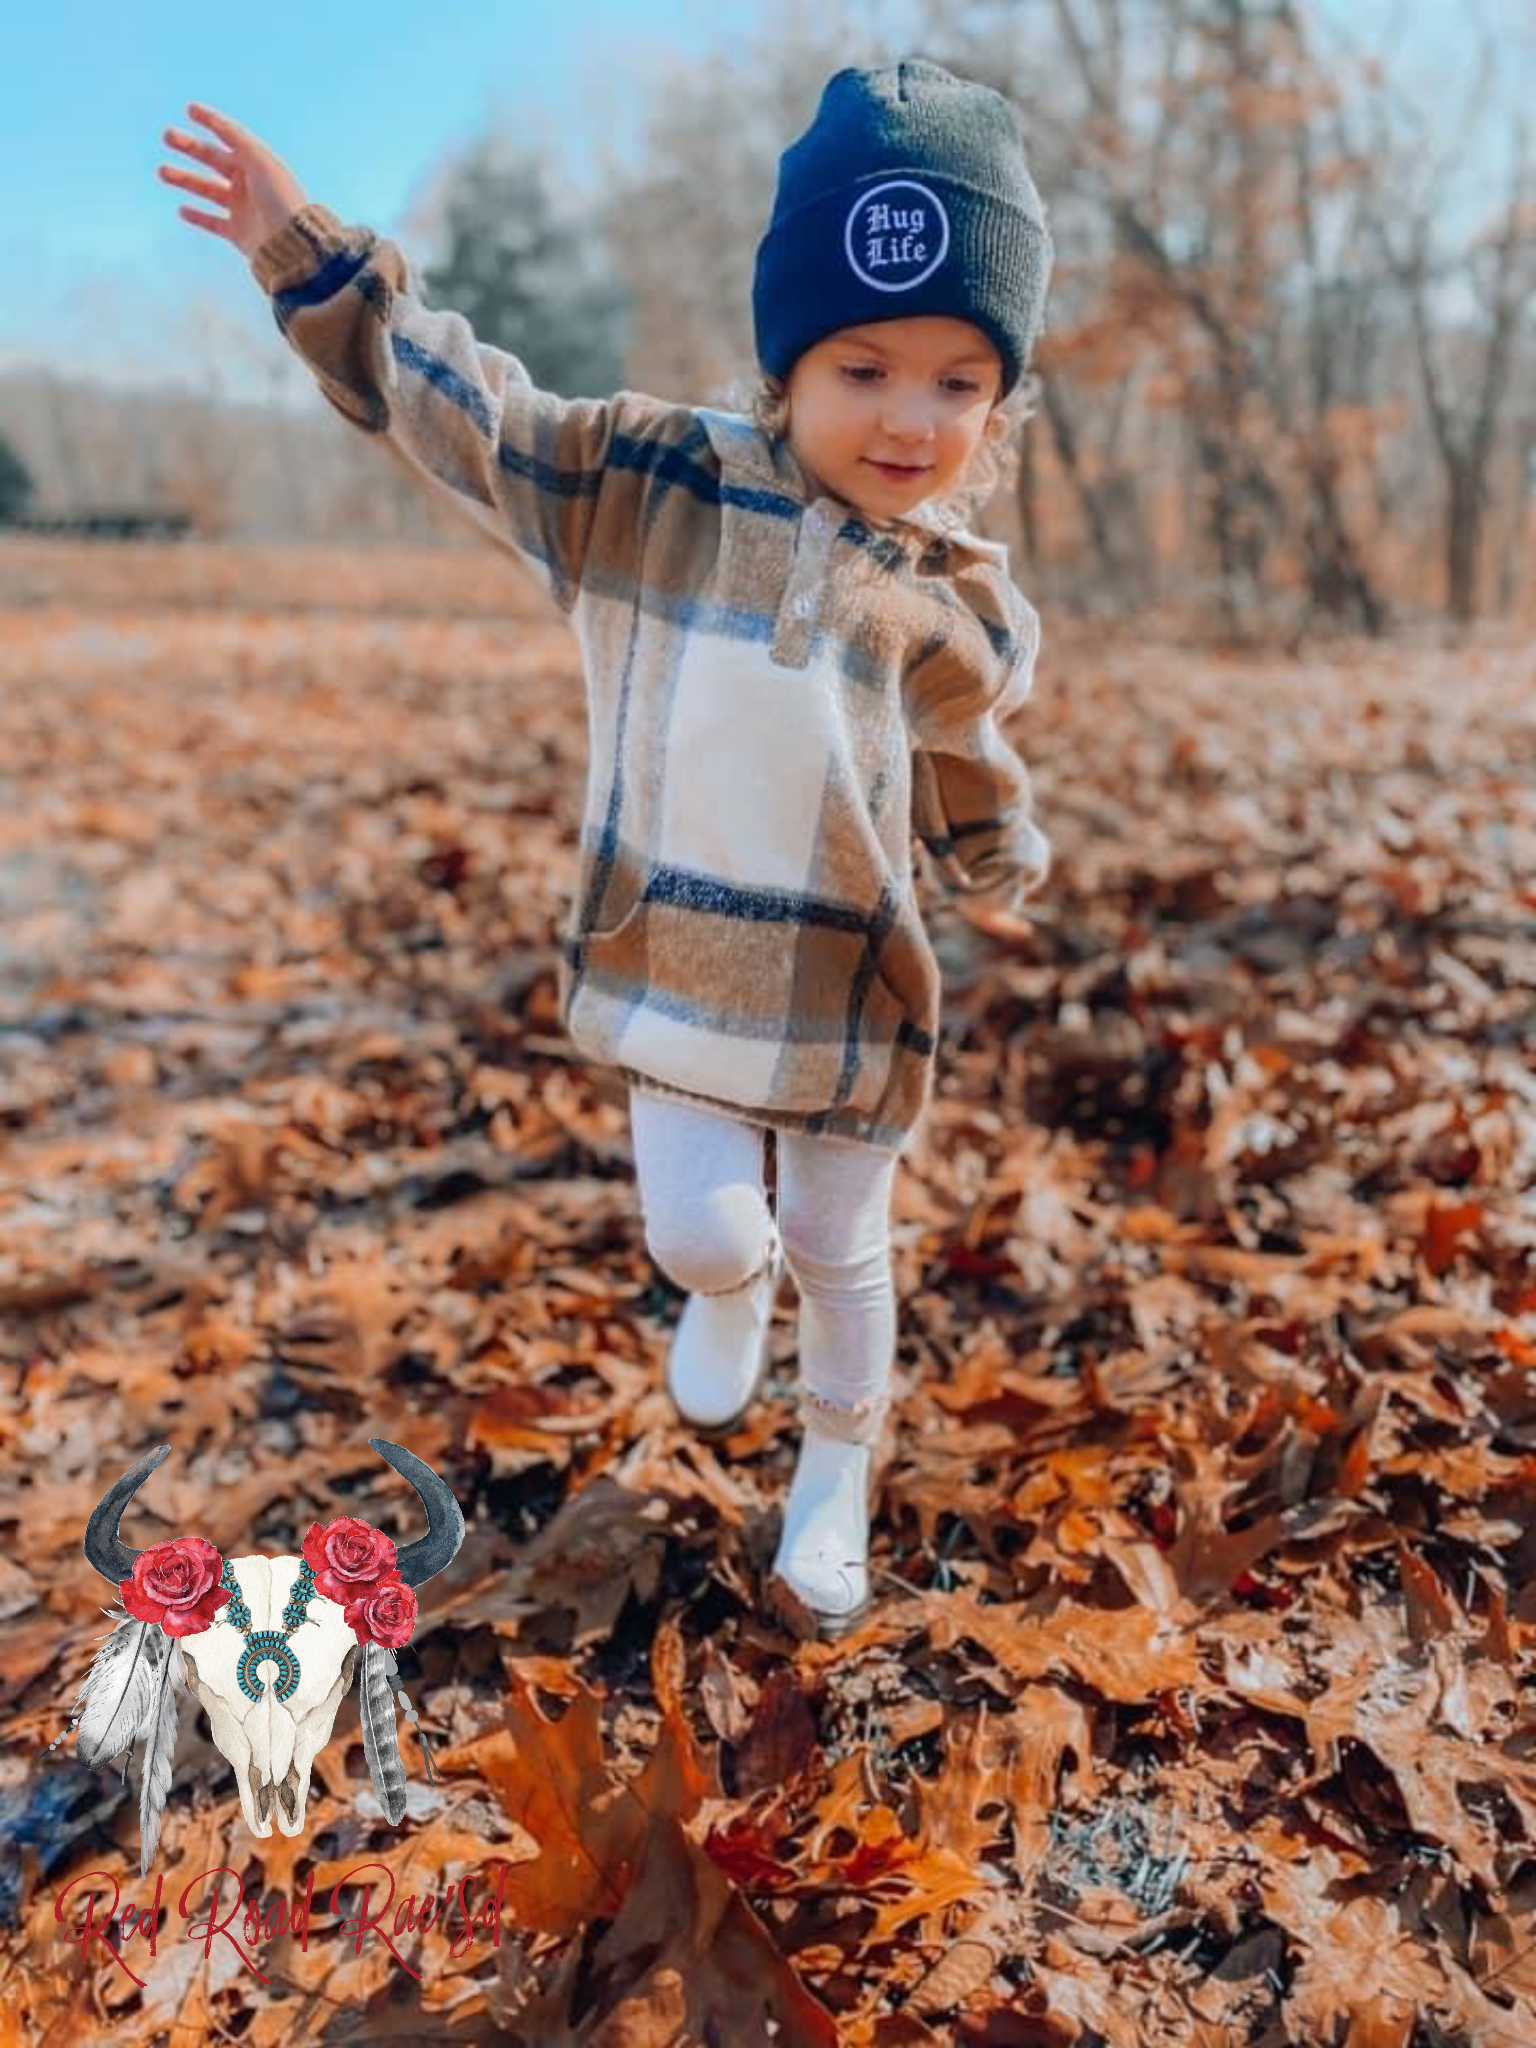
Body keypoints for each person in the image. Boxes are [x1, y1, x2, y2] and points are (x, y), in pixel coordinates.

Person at [157, 59, 1055, 1642]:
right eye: (864, 367)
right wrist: (312, 259)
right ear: (789, 364)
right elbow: (477, 420)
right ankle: (723, 1283)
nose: (910, 420)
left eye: (956, 382)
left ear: (997, 399)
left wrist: (994, 862)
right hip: (675, 955)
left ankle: (835, 1464)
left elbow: (964, 757)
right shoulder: (655, 487)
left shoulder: (953, 595)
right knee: (703, 1227)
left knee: (847, 1247)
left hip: (850, 978)